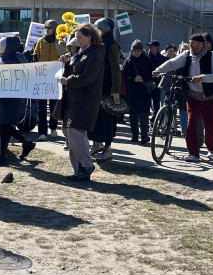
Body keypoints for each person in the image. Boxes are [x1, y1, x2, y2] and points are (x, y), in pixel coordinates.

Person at [152, 33, 213, 162]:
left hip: (210, 96)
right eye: (190, 44)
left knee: (211, 124)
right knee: (191, 125)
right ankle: (193, 154)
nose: (191, 47)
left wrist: (202, 78)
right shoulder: (187, 55)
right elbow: (173, 63)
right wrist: (159, 69)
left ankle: (211, 149)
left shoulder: (212, 56)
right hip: (192, 95)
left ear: (201, 44)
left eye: (194, 44)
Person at [59, 23, 104, 181]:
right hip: (73, 99)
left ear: (90, 37)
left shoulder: (95, 54)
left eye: (80, 37)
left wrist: (68, 80)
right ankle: (78, 169)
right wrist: (66, 62)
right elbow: (74, 67)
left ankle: (86, 165)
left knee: (76, 133)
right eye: (76, 38)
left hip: (85, 100)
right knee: (72, 134)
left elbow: (88, 77)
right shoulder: (81, 53)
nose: (77, 41)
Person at [0, 36, 37, 166]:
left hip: (11, 97)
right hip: (3, 96)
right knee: (3, 125)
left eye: (2, 46)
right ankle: (24, 144)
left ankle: (4, 155)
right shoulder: (2, 58)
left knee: (4, 125)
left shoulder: (16, 60)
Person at [89, 18, 122, 162]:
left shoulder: (112, 46)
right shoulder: (96, 44)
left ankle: (108, 149)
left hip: (107, 87)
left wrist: (115, 90)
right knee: (95, 117)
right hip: (96, 86)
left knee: (108, 119)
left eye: (98, 28)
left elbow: (115, 69)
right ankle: (96, 144)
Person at [33, 19, 66, 141]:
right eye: (46, 28)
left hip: (55, 78)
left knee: (53, 105)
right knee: (41, 106)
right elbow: (35, 56)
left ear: (55, 29)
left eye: (50, 28)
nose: (47, 30)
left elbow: (65, 57)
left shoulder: (61, 42)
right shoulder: (40, 41)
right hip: (42, 77)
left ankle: (53, 127)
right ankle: (42, 132)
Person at [122, 39, 153, 144]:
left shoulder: (147, 60)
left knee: (144, 114)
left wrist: (143, 78)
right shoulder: (128, 61)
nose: (136, 52)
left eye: (138, 50)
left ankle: (144, 135)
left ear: (142, 51)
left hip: (144, 92)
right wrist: (133, 79)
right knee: (133, 115)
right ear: (131, 50)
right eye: (135, 50)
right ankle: (135, 135)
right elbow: (124, 76)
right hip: (132, 92)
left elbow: (151, 75)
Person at [146, 40, 167, 115]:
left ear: (156, 47)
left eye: (151, 46)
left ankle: (153, 122)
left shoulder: (163, 59)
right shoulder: (146, 58)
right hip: (146, 83)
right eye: (149, 46)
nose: (149, 48)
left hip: (157, 84)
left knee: (156, 105)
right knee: (146, 104)